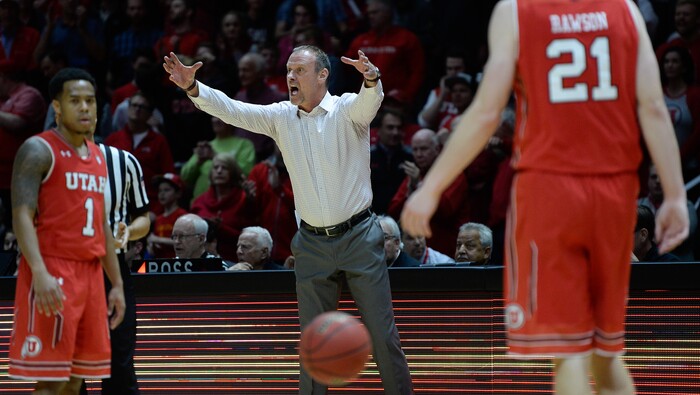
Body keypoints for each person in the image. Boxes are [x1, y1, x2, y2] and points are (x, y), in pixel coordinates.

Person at [400, 1, 690, 395]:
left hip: (549, 189)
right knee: (606, 356)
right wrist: (673, 194)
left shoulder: (516, 11)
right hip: (613, 191)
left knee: (567, 353)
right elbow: (654, 107)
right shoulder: (625, 9)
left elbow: (487, 112)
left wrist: (431, 187)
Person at [163, 44, 413, 394]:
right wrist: (193, 88)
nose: (290, 77)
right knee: (313, 344)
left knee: (382, 336)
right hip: (311, 243)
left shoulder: (346, 110)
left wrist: (371, 79)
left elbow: (369, 101)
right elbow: (233, 110)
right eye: (288, 71)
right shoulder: (281, 115)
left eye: (299, 70)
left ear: (322, 75)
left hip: (359, 236)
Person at [8, 67, 125, 394]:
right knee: (51, 380)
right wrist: (40, 272)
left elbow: (102, 223)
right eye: (75, 101)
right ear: (56, 107)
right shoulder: (37, 150)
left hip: (90, 275)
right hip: (52, 268)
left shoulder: (98, 155)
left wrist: (115, 284)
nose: (85, 107)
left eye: (90, 100)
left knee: (76, 380)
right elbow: (21, 216)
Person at [388, 128, 469, 255]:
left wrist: (419, 186)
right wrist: (410, 191)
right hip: (417, 249)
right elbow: (393, 212)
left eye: (424, 149)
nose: (419, 154)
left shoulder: (453, 173)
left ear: (437, 149)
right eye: (415, 149)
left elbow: (445, 211)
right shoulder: (414, 175)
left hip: (445, 247)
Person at [105, 91, 175, 213]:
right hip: (115, 204)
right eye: (134, 105)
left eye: (142, 107)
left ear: (150, 114)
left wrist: (158, 211)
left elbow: (168, 178)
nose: (137, 109)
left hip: (148, 205)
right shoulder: (113, 139)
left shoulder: (159, 141)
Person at [0, 59, 46, 230]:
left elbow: (18, 122)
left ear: (3, 77)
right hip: (4, 174)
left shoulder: (29, 95)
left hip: (21, 174)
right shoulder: (5, 99)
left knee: (19, 223)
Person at [190, 152, 256, 261]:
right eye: (216, 168)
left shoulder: (244, 199)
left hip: (237, 263)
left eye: (224, 168)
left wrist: (220, 228)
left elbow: (251, 239)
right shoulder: (199, 202)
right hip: (202, 263)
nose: (219, 171)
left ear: (233, 173)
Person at [180, 116, 256, 202]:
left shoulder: (244, 145)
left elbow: (245, 175)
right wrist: (198, 161)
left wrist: (214, 156)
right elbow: (184, 177)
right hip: (200, 206)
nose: (216, 120)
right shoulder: (206, 147)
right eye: (213, 116)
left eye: (220, 115)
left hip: (230, 205)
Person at [245, 146, 297, 264]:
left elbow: (306, 208)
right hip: (261, 253)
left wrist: (279, 189)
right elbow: (249, 214)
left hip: (293, 251)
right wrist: (249, 199)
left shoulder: (304, 171)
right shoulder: (259, 170)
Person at [370, 108, 414, 215]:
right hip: (373, 218)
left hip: (402, 217)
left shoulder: (411, 157)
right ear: (379, 130)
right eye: (390, 127)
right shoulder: (367, 156)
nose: (395, 132)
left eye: (399, 128)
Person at [171, 213, 250, 270]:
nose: (177, 241)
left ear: (201, 239)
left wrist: (225, 276)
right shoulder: (169, 266)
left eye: (182, 236)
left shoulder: (219, 268)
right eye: (174, 236)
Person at [148, 173, 188, 258]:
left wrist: (157, 239)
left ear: (178, 193)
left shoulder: (182, 215)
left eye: (166, 190)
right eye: (160, 190)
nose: (162, 194)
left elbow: (184, 242)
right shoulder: (158, 219)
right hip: (160, 265)